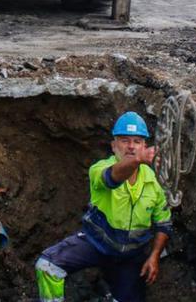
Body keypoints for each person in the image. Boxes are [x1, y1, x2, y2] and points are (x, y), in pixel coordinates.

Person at [35, 111, 172, 302]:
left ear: (144, 146)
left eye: (137, 141)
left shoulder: (154, 185)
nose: (131, 146)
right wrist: (138, 160)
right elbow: (112, 178)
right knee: (47, 266)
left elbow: (163, 224)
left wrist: (155, 256)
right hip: (96, 244)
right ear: (114, 146)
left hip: (130, 257)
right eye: (124, 140)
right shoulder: (100, 169)